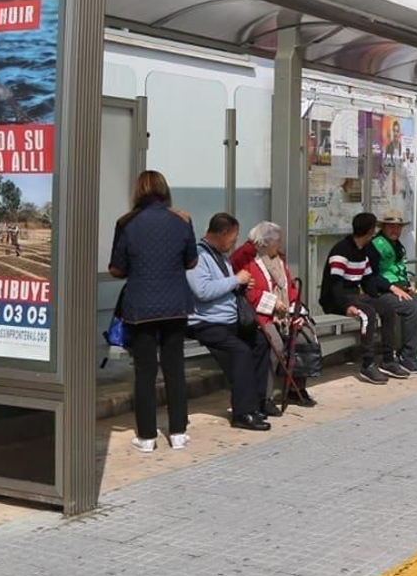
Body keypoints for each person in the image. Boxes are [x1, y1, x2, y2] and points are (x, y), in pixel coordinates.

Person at [108, 171, 198, 454]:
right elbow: (192, 261)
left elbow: (116, 268)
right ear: (164, 190)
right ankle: (178, 433)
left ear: (138, 192)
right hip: (175, 305)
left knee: (145, 372)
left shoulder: (126, 223)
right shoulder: (182, 219)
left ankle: (147, 437)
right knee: (175, 368)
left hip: (141, 308)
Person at [187, 213, 271, 431]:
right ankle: (242, 413)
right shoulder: (198, 256)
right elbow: (202, 291)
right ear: (222, 233)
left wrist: (241, 285)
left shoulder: (220, 256)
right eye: (233, 238)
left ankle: (258, 403)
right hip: (207, 322)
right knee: (240, 352)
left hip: (229, 319)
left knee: (260, 342)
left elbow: (225, 285)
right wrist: (236, 280)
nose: (234, 243)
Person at [235, 222, 318, 410]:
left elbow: (290, 287)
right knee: (275, 346)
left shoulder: (278, 258)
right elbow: (246, 293)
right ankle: (265, 397)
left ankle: (296, 388)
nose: (280, 245)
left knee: (304, 336)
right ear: (265, 242)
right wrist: (273, 303)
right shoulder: (244, 258)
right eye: (277, 242)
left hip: (284, 312)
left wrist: (297, 309)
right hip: (258, 315)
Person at [321, 212, 403, 384]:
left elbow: (367, 279)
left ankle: (388, 359)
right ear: (370, 231)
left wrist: (376, 297)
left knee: (387, 309)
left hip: (355, 296)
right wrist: (345, 307)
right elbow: (334, 286)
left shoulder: (363, 250)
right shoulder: (341, 251)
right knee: (368, 314)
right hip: (336, 299)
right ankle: (367, 363)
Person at [369, 212, 417, 374]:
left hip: (400, 289)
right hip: (382, 291)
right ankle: (407, 357)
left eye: (398, 227)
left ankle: (410, 353)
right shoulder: (376, 245)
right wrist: (392, 287)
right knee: (412, 308)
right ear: (383, 227)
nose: (395, 231)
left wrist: (406, 285)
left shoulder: (397, 245)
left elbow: (399, 269)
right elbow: (371, 275)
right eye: (391, 227)